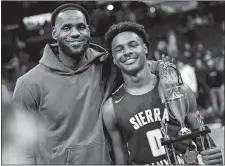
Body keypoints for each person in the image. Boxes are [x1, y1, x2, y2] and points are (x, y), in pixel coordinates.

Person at [11, 3, 162, 165]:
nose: (75, 33)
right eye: (66, 28)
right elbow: (20, 148)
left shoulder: (106, 65)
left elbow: (145, 65)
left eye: (80, 27)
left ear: (88, 31)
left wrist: (165, 71)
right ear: (54, 32)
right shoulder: (29, 84)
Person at [102, 21, 223, 165]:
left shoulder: (181, 91)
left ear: (145, 48)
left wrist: (214, 157)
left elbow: (202, 138)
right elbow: (121, 158)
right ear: (114, 59)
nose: (127, 51)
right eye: (119, 49)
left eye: (133, 44)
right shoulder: (110, 108)